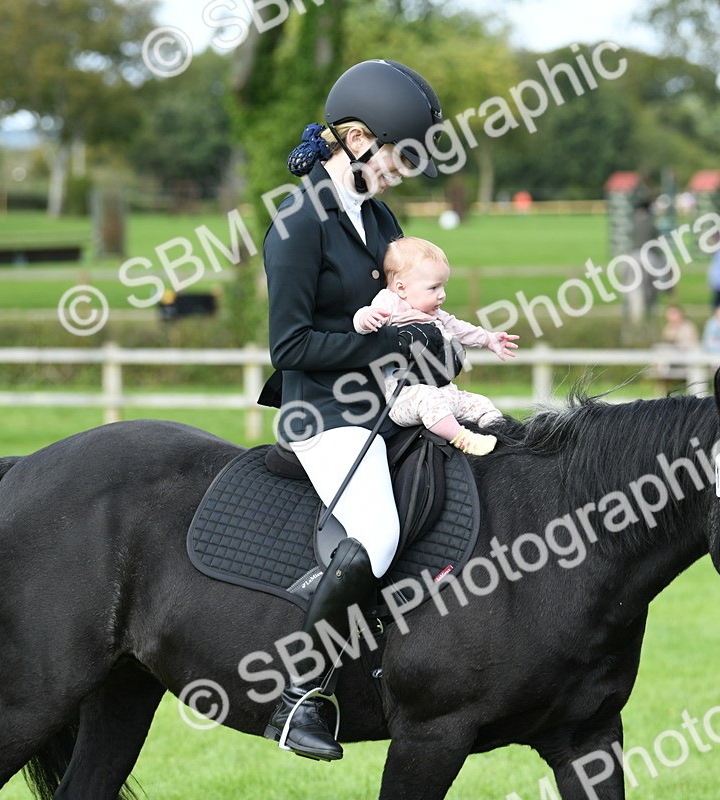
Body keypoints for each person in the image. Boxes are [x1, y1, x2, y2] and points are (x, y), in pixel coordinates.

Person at [258, 59, 445, 762]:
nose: (406, 170)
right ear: (358, 137)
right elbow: (291, 345)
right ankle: (298, 693)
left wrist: (433, 342)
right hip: (321, 414)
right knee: (378, 530)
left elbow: (402, 305)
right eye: (402, 155)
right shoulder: (298, 219)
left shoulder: (378, 213)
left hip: (386, 404)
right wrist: (392, 344)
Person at [352, 236, 517, 455]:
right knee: (429, 401)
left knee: (481, 404)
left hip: (445, 391)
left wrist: (488, 338)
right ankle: (462, 438)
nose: (442, 295)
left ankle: (506, 440)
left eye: (443, 286)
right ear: (402, 288)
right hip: (406, 397)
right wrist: (366, 318)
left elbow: (460, 328)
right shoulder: (390, 302)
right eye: (434, 288)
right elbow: (361, 320)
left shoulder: (434, 313)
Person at [653, 304, 699, 393]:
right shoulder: (669, 327)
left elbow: (691, 344)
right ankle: (660, 388)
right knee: (661, 357)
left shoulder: (688, 326)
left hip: (686, 357)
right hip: (672, 358)